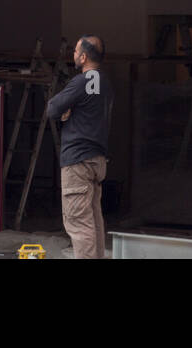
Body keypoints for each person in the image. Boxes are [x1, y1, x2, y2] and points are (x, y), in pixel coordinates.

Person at [45, 35, 110, 259]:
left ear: (83, 57)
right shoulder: (105, 83)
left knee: (79, 223)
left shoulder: (81, 82)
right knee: (93, 220)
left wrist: (68, 110)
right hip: (97, 159)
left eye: (75, 51)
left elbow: (53, 108)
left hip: (77, 161)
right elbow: (89, 112)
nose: (72, 55)